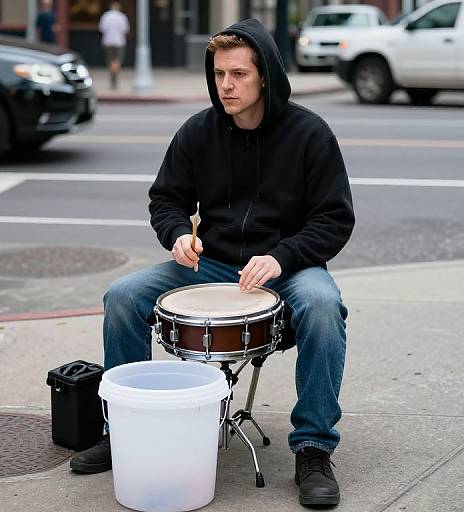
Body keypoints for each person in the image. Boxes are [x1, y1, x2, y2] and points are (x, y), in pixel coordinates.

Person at [71, 18, 355, 507]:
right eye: (220, 73)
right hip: (214, 262)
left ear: (264, 74)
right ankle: (122, 431)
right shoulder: (198, 131)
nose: (226, 84)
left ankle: (312, 447)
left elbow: (334, 220)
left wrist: (282, 256)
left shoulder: (310, 133)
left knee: (324, 306)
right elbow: (165, 200)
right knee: (122, 296)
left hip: (289, 267)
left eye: (239, 74)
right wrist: (178, 234)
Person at [98, 1, 130, 90]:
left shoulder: (106, 16)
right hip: (119, 42)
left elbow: (102, 28)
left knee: (110, 61)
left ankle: (113, 78)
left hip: (108, 41)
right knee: (117, 61)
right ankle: (114, 78)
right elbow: (125, 29)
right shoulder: (122, 17)